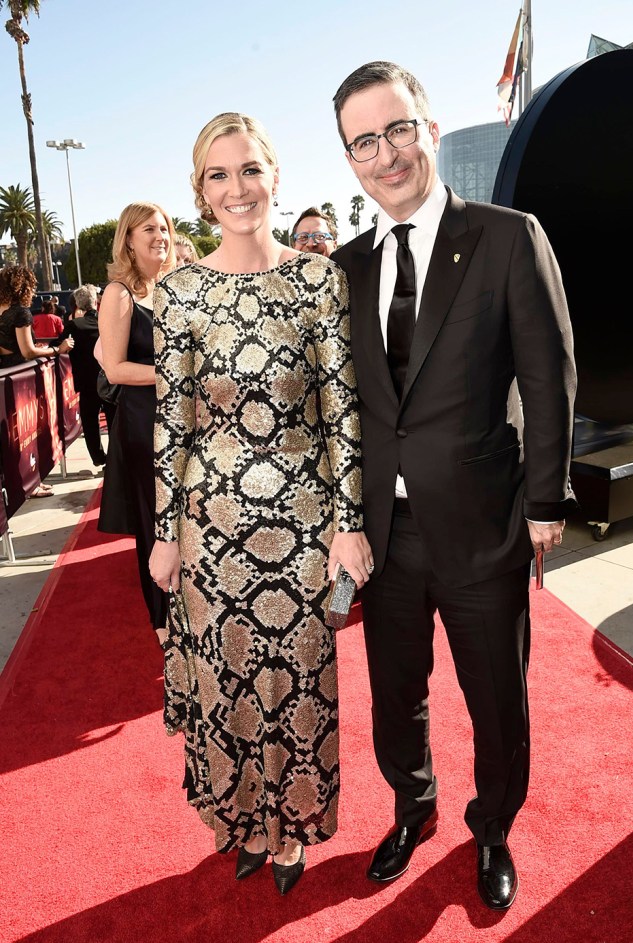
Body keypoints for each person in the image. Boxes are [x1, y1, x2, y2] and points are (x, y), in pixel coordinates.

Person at [331, 61, 577, 910]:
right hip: (384, 538)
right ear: (350, 160)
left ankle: (494, 826)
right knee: (395, 695)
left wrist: (546, 499)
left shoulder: (510, 236)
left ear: (429, 127)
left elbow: (549, 377)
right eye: (364, 141)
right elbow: (347, 410)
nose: (386, 153)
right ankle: (413, 805)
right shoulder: (346, 267)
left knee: (497, 700)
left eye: (398, 129)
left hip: (484, 527)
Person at [148, 112, 370, 895]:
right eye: (219, 174)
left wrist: (350, 525)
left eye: (249, 170)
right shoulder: (176, 293)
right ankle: (241, 821)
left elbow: (343, 413)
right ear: (201, 192)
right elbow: (173, 421)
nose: (236, 188)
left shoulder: (318, 280)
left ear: (274, 174)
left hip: (304, 525)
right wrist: (165, 532)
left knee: (298, 682)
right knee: (228, 679)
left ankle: (292, 833)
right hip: (210, 528)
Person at [97, 202, 176, 636]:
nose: (159, 235)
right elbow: (115, 369)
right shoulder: (119, 293)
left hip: (183, 420)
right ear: (128, 238)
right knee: (155, 518)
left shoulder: (173, 289)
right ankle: (162, 619)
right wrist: (177, 376)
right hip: (144, 423)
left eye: (164, 227)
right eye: (148, 229)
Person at [0, 265, 74, 498]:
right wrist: (56, 349)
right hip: (20, 382)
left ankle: (22, 484)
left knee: (11, 438)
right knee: (25, 434)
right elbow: (28, 351)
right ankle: (29, 484)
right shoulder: (20, 312)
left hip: (5, 377)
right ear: (24, 287)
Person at [58, 284, 115, 467]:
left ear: (79, 306)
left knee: (90, 423)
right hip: (110, 379)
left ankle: (99, 458)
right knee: (114, 421)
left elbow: (57, 344)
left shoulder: (74, 326)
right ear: (96, 302)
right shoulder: (107, 322)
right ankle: (114, 460)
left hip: (86, 383)